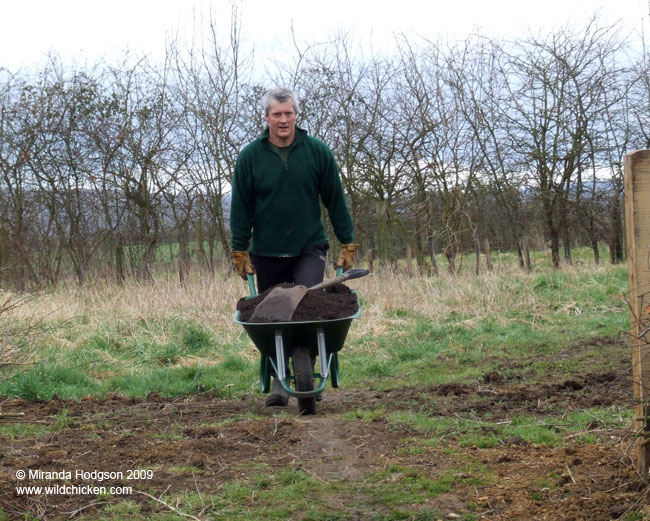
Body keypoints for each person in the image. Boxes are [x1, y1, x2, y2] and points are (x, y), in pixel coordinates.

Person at [230, 86, 358, 407]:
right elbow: (241, 207)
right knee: (274, 317)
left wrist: (348, 241)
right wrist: (239, 249)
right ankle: (278, 380)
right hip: (267, 252)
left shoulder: (316, 152)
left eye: (288, 113)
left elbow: (335, 200)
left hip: (309, 247)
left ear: (296, 115)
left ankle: (306, 367)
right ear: (266, 118)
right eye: (277, 114)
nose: (283, 119)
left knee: (306, 309)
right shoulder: (250, 157)